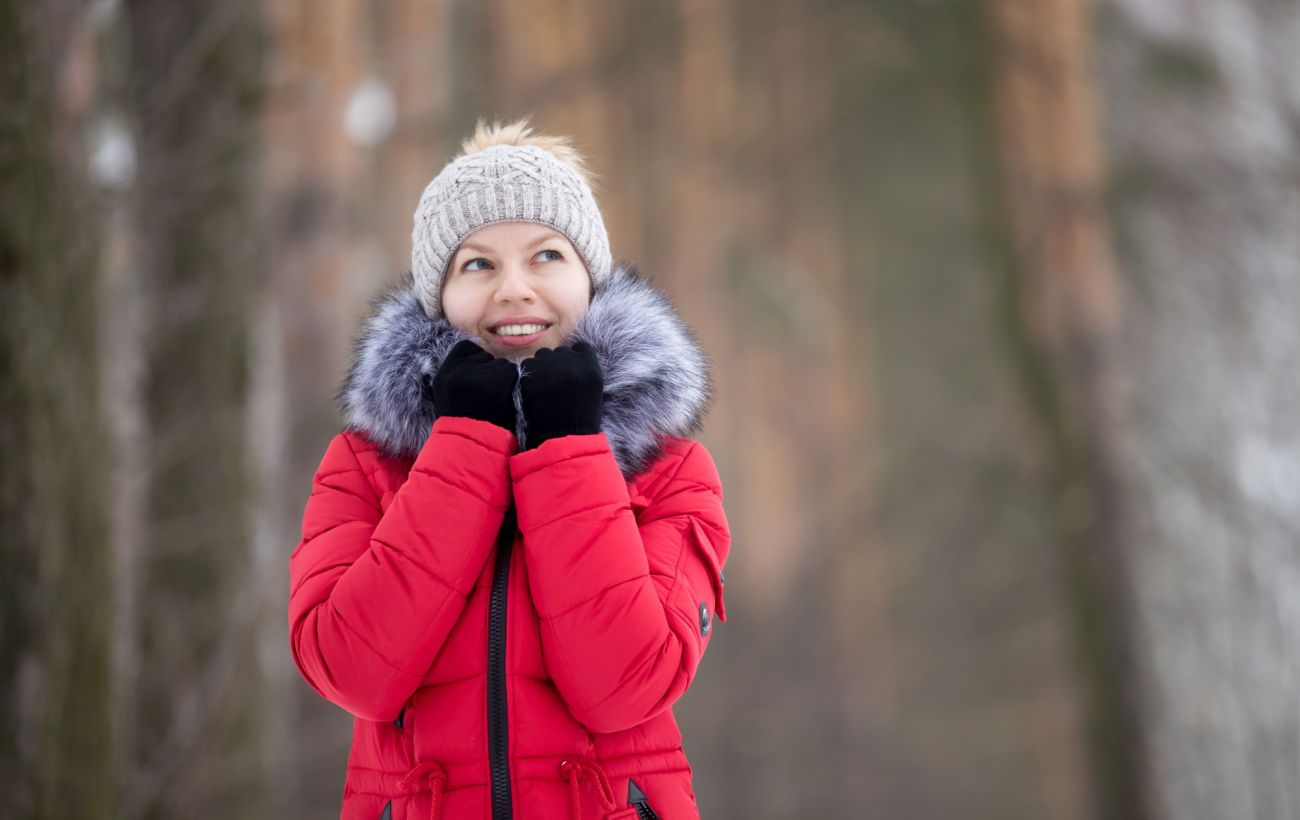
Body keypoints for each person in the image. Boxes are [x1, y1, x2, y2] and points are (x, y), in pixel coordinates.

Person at [289, 117, 731, 820]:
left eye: (547, 256)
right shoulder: (363, 467)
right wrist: (464, 442)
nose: (515, 289)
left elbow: (626, 684)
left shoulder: (671, 471)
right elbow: (351, 671)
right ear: (439, 297)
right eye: (478, 264)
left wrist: (568, 447)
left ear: (589, 277)